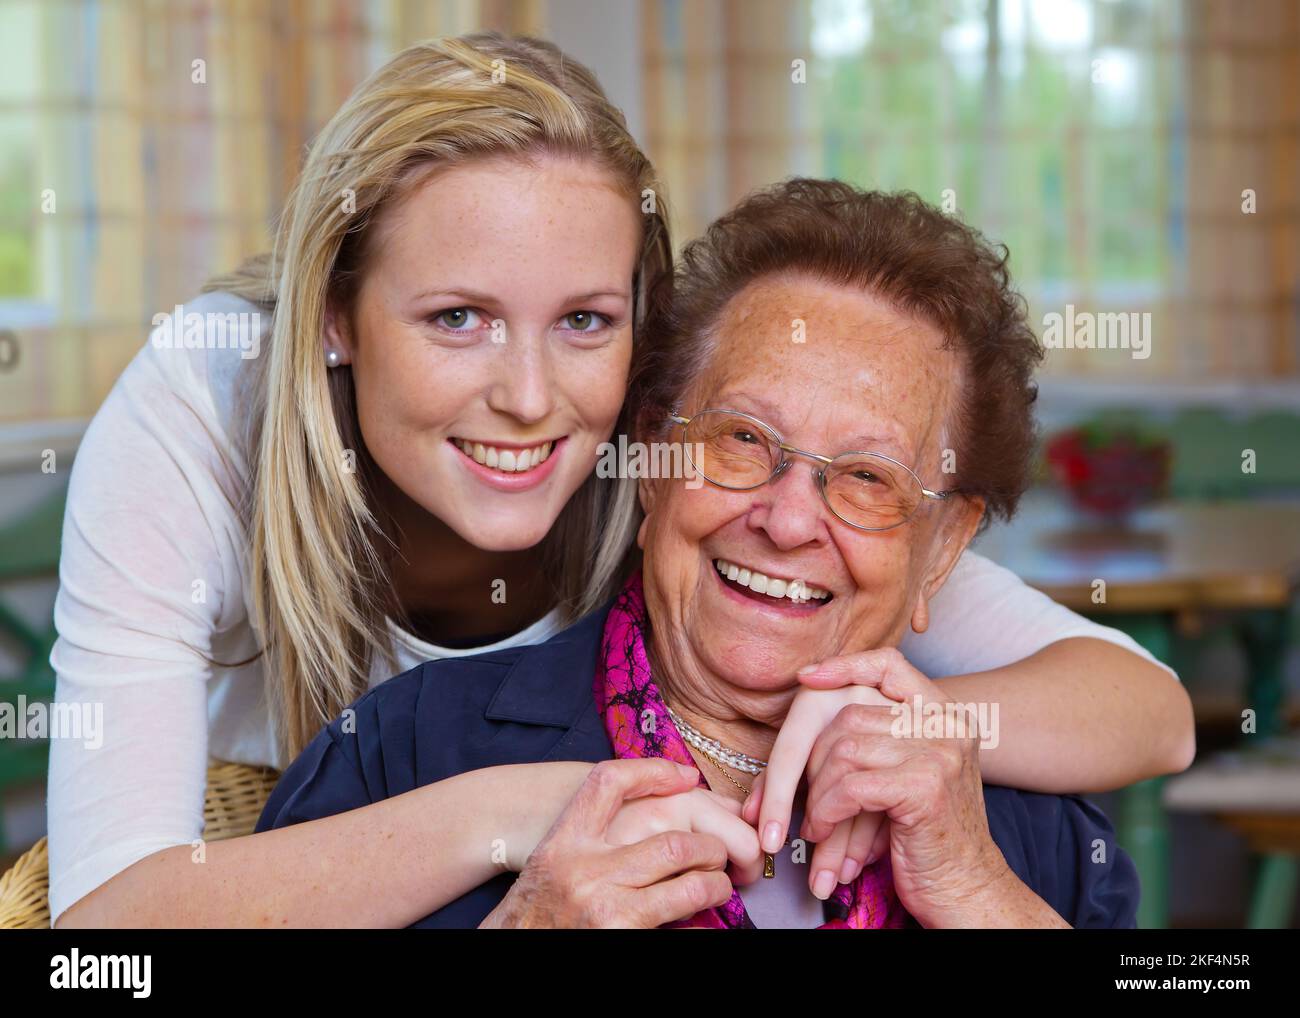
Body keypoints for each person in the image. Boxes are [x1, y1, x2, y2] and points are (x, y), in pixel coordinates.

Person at [51, 34, 1188, 929]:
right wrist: (537, 801)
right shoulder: (213, 400)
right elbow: (108, 933)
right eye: (458, 317)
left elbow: (1147, 710)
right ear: (337, 316)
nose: (533, 397)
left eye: (585, 320)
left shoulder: (713, 468)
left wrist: (910, 757)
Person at [257, 181, 1152, 928]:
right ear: (653, 463)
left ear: (943, 548)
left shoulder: (1017, 819)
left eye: (869, 478)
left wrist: (975, 890)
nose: (790, 520)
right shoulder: (402, 755)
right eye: (742, 440)